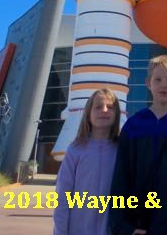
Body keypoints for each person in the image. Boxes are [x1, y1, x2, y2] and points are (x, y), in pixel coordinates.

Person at [110, 55, 167, 235]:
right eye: (157, 79)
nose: (163, 84)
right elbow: (121, 178)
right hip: (136, 225)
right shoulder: (133, 126)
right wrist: (123, 227)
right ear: (148, 83)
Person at [53, 88, 120, 235]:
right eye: (98, 107)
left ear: (117, 114)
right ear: (88, 114)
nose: (104, 110)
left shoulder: (122, 150)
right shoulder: (75, 150)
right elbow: (63, 196)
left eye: (110, 107)